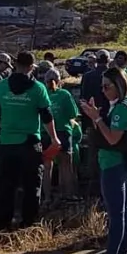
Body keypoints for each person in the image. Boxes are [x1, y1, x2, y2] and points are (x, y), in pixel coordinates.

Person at [80, 67, 127, 254]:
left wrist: (97, 118)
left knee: (116, 214)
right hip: (122, 164)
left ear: (119, 86)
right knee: (125, 210)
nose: (103, 91)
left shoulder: (122, 109)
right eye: (102, 86)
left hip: (114, 165)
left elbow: (113, 138)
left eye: (107, 86)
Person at [0, 51, 61, 230]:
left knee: (5, 185)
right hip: (30, 143)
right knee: (31, 185)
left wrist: (2, 121)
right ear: (31, 67)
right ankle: (28, 223)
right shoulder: (38, 88)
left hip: (6, 142)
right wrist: (54, 138)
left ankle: (3, 223)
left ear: (14, 64)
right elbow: (46, 115)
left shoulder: (1, 86)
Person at [42, 67, 81, 202]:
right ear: (59, 80)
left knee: (47, 166)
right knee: (66, 165)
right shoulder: (64, 94)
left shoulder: (42, 94)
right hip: (63, 132)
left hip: (46, 133)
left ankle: (46, 197)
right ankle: (68, 194)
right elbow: (73, 114)